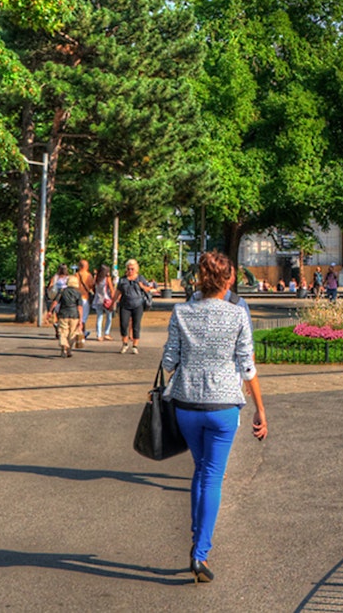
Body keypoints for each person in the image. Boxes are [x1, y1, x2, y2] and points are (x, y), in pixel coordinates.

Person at [163, 250, 268, 583]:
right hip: (223, 407)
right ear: (230, 279)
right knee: (212, 476)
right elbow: (247, 367)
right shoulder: (238, 315)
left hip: (187, 405)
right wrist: (260, 410)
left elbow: (168, 361)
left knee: (200, 469)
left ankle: (197, 535)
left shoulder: (181, 311)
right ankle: (200, 552)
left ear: (200, 279)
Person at [115, 259, 153, 354]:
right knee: (123, 324)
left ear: (136, 269)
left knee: (136, 325)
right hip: (125, 304)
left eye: (132, 269)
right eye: (128, 269)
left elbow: (148, 289)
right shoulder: (123, 279)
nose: (130, 271)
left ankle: (135, 346)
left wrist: (142, 286)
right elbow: (118, 291)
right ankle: (125, 344)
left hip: (138, 304)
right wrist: (113, 302)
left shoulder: (140, 278)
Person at [51, 275, 85, 357]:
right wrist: (80, 319)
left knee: (63, 332)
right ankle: (69, 350)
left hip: (63, 314)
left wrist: (50, 311)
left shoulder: (62, 291)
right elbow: (80, 307)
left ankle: (64, 348)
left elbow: (55, 302)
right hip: (74, 315)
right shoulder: (78, 293)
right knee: (72, 333)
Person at [91, 264, 116, 341]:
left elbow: (93, 287)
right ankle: (106, 333)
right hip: (106, 300)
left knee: (99, 317)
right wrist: (113, 300)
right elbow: (111, 290)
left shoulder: (96, 278)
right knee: (109, 317)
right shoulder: (107, 279)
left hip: (98, 299)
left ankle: (99, 335)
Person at [76, 259, 95, 341]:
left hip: (76, 297)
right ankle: (81, 333)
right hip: (85, 298)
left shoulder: (75, 275)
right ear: (86, 266)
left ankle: (78, 332)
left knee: (77, 317)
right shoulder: (89, 276)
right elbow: (91, 286)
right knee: (83, 318)